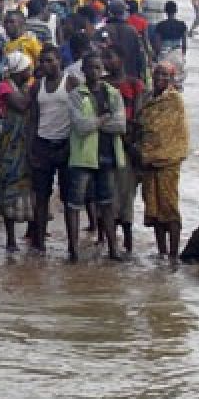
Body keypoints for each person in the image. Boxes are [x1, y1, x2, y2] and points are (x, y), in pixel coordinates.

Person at [67, 53, 126, 262]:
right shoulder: (76, 95)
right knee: (74, 204)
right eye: (90, 68)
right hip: (83, 157)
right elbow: (80, 126)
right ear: (83, 70)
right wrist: (103, 120)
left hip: (107, 156)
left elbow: (121, 125)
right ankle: (73, 251)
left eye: (97, 67)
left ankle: (113, 249)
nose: (94, 72)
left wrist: (95, 122)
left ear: (103, 70)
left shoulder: (112, 93)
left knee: (107, 204)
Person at [136, 63, 189, 260]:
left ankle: (174, 254)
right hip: (148, 161)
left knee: (169, 208)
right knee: (154, 208)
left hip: (168, 161)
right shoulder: (148, 98)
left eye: (165, 74)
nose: (160, 77)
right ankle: (161, 252)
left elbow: (173, 131)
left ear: (171, 78)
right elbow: (144, 127)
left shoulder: (174, 100)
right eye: (157, 73)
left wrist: (158, 154)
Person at [26, 46, 75, 251]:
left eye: (50, 61)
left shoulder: (71, 82)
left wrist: (72, 145)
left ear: (59, 61)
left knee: (69, 200)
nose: (46, 65)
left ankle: (73, 247)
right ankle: (40, 244)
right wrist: (31, 148)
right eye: (43, 61)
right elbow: (33, 118)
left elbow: (78, 115)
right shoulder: (37, 86)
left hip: (66, 145)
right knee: (41, 197)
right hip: (42, 145)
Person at [104, 45, 145, 253]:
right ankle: (110, 244)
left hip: (127, 145)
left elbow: (137, 117)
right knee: (107, 194)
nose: (106, 63)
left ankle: (127, 242)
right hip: (106, 145)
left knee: (126, 193)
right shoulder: (102, 84)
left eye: (110, 58)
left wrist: (129, 140)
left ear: (121, 58)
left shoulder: (134, 84)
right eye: (105, 59)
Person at [0, 51, 35, 252]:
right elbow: (21, 105)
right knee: (10, 188)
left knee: (31, 188)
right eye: (27, 68)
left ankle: (31, 231)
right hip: (11, 145)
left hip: (28, 143)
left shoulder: (26, 86)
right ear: (19, 70)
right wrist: (34, 89)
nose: (30, 71)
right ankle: (11, 239)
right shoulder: (5, 86)